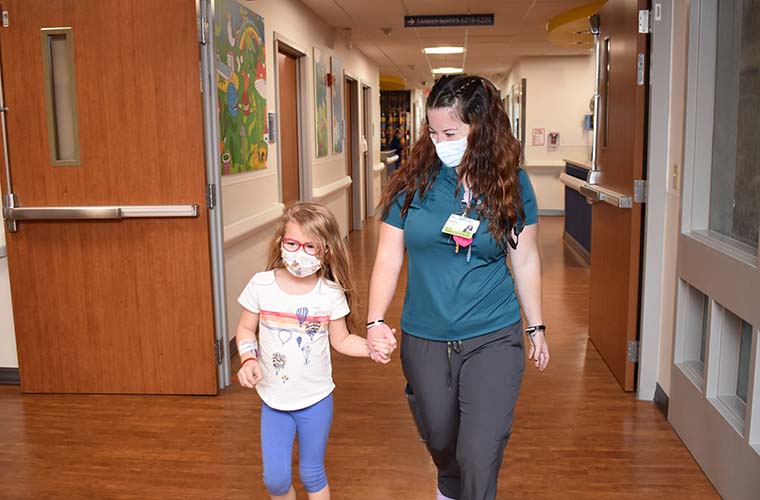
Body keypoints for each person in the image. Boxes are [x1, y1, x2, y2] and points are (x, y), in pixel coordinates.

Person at [366, 75, 550, 500]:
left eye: (451, 132)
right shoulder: (413, 183)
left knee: (479, 453)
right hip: (425, 336)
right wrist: (375, 320)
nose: (440, 140)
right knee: (444, 447)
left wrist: (536, 325)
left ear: (480, 129)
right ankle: (448, 490)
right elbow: (389, 257)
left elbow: (524, 258)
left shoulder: (511, 182)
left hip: (493, 334)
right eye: (433, 132)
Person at [235, 202, 394, 500]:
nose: (299, 253)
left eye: (311, 247)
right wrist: (248, 359)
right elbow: (245, 330)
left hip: (316, 401)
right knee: (275, 480)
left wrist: (371, 348)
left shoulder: (330, 294)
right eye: (292, 243)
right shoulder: (261, 285)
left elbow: (342, 340)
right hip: (273, 402)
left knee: (312, 473)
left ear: (326, 251)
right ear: (280, 242)